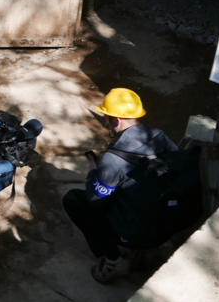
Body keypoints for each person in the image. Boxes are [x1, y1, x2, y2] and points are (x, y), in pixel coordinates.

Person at [62, 88, 178, 284]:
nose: (106, 122)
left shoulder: (114, 160)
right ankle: (143, 251)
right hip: (168, 220)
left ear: (116, 120)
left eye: (107, 118)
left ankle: (112, 259)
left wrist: (94, 171)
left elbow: (96, 200)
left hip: (139, 232)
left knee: (75, 201)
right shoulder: (159, 135)